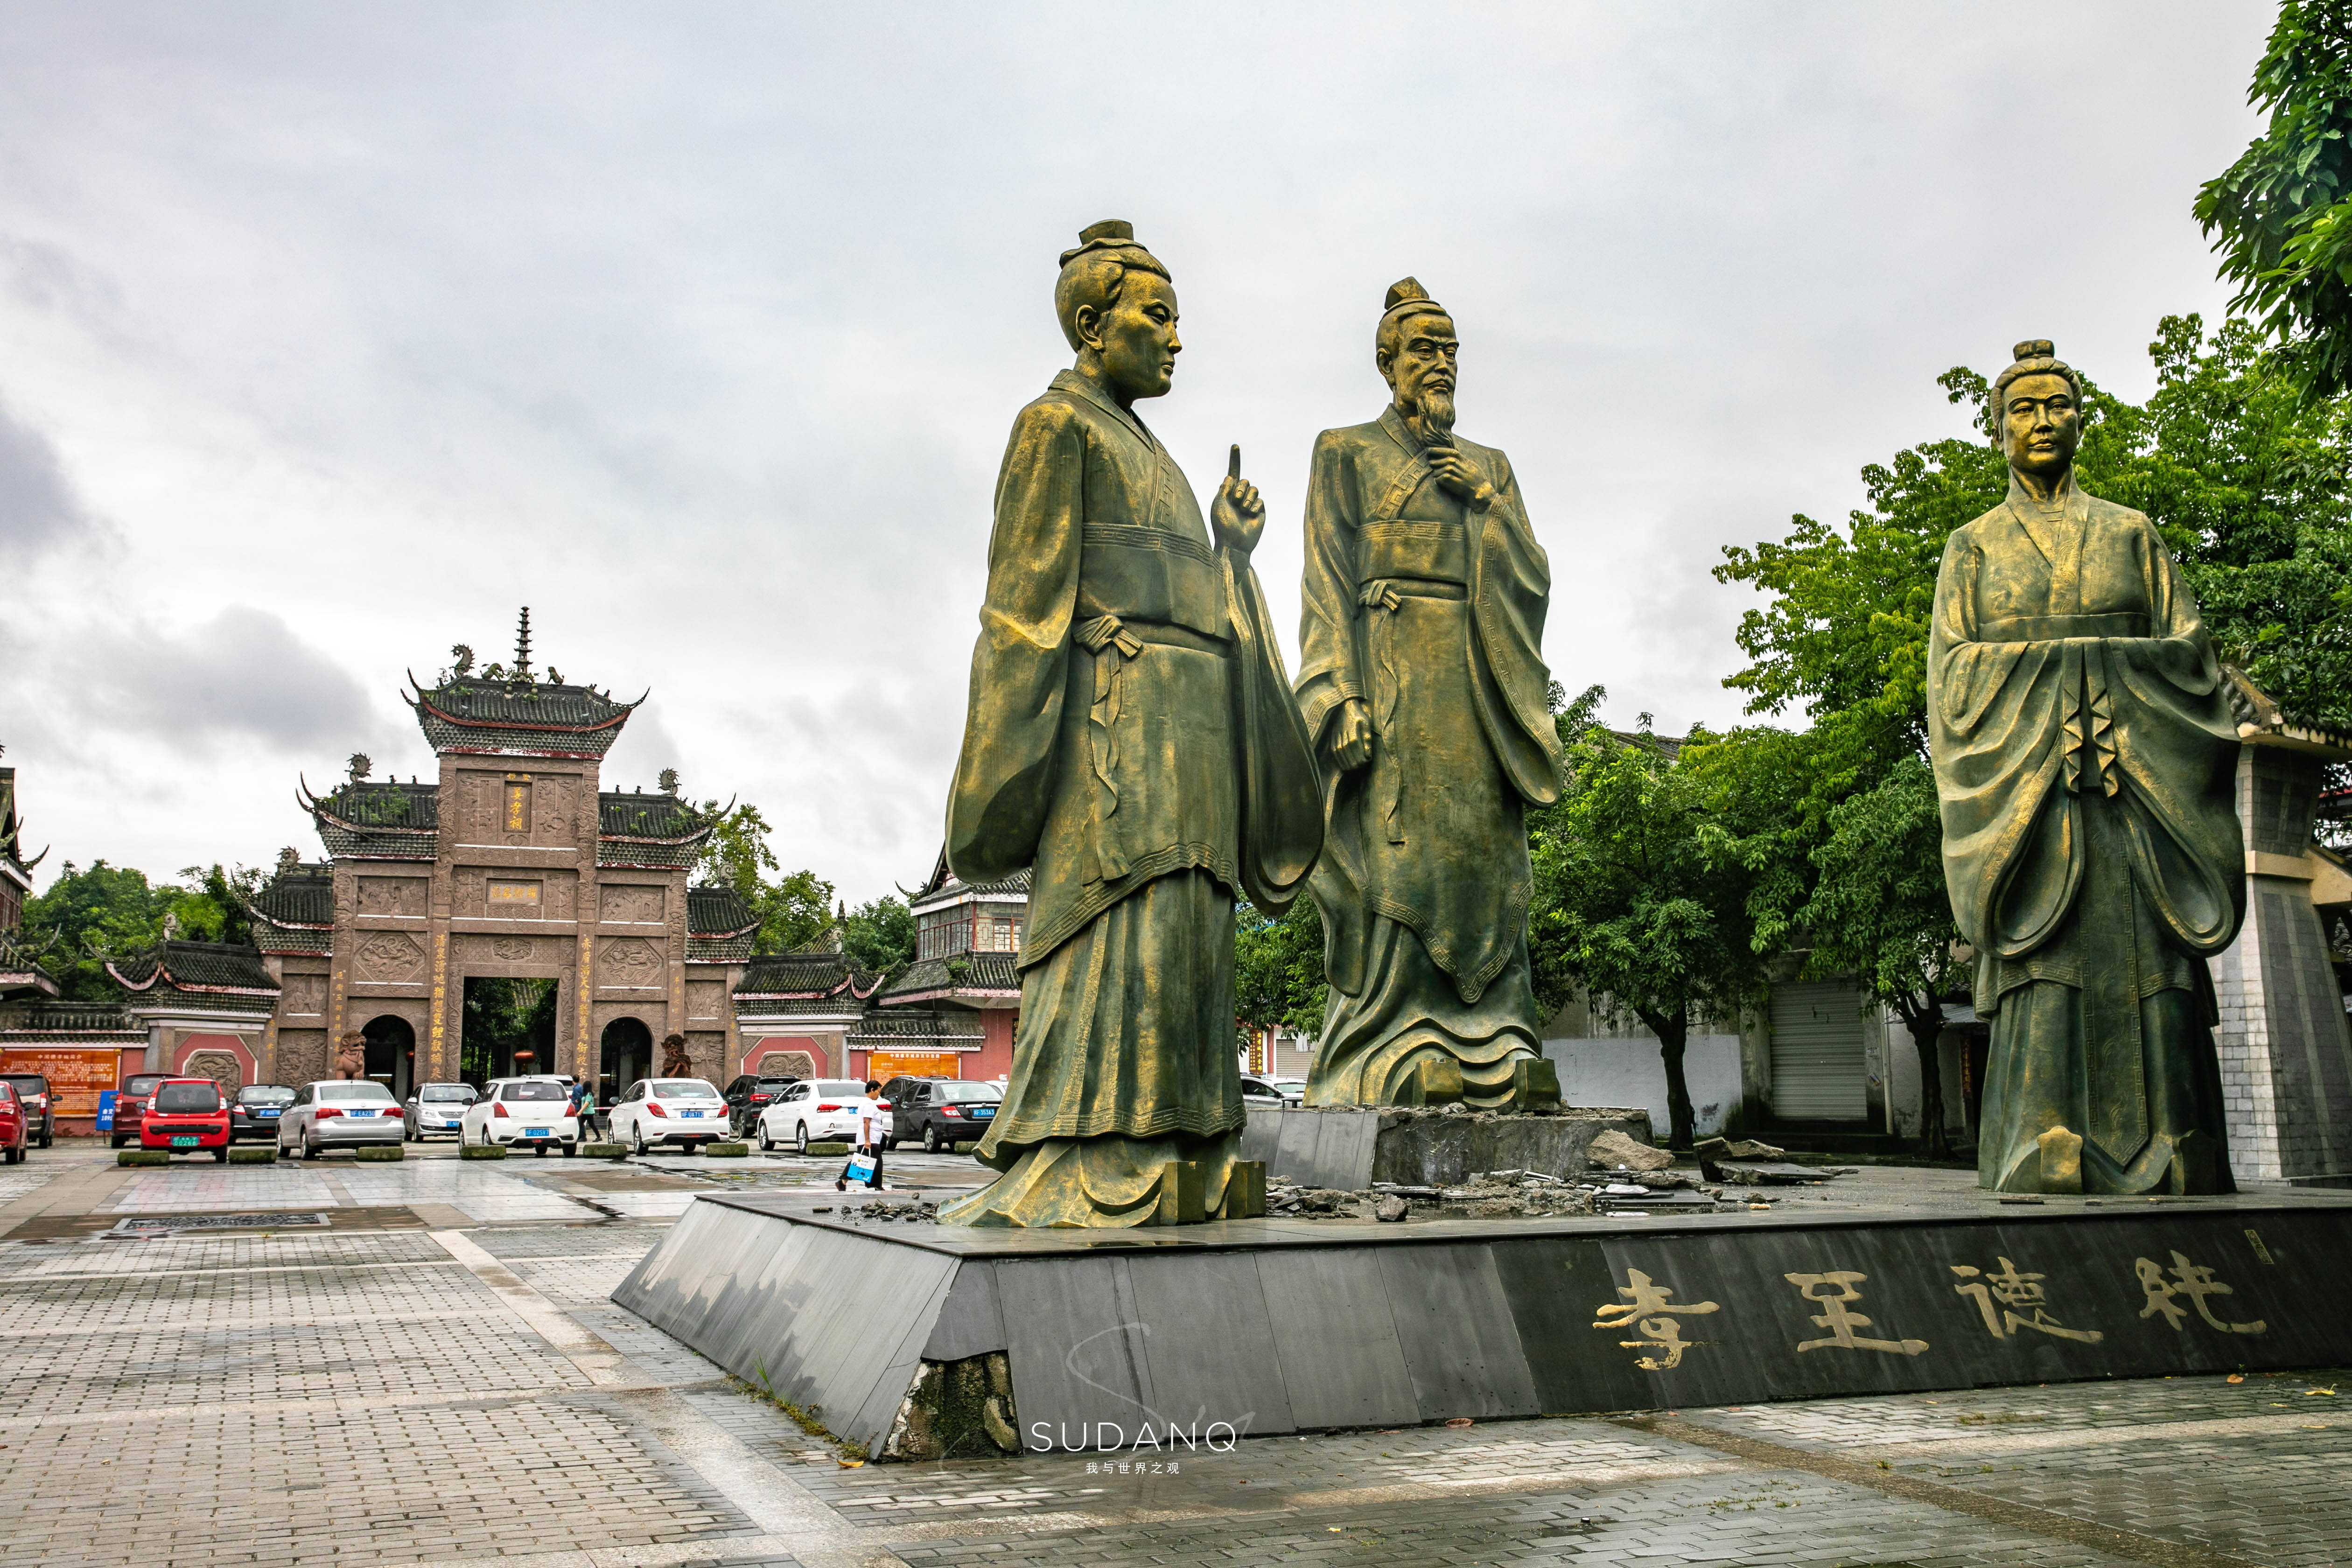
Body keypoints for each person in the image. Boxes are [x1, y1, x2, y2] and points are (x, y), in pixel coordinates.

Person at [937, 220, 1321, 1227]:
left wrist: (1230, 552)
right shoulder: (1053, 427)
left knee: (1193, 932)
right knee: (1121, 933)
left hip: (1191, 740)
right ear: (1094, 325)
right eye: (1159, 318)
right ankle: (1090, 1150)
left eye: (1178, 320)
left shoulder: (1153, 451)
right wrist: (999, 771)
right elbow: (1022, 613)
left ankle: (1187, 1149)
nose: (1176, 341)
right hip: (1117, 738)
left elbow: (1197, 600)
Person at [1926, 340, 2245, 1195]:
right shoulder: (1975, 545)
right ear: (1998, 430)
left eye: (2056, 406)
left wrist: (2093, 670)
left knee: (2155, 969)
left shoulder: (2131, 533)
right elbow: (1954, 680)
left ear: (2080, 420)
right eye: (2023, 409)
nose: (2041, 421)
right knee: (2047, 968)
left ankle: (2178, 1145)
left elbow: (2192, 663)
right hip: (2035, 801)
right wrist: (2071, 674)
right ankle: (2043, 1145)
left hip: (2141, 802)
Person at [1294, 279, 1565, 1109]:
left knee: (1487, 863)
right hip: (1393, 689)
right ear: (1387, 363)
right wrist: (1338, 697)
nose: (1440, 363)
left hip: (1479, 694)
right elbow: (1324, 586)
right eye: (1423, 349)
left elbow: (1532, 582)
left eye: (1450, 349)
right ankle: (1393, 1042)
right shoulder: (1343, 451)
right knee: (1400, 861)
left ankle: (1506, 1044)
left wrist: (1481, 504)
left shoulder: (1491, 467)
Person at [837, 1079, 886, 1192]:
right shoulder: (868, 1103)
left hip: (869, 1138)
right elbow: (866, 1122)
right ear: (872, 1090)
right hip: (869, 1139)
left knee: (861, 1161)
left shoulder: (867, 1103)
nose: (879, 1095)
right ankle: (877, 1186)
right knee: (876, 1163)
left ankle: (843, 1182)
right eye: (878, 1091)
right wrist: (868, 1140)